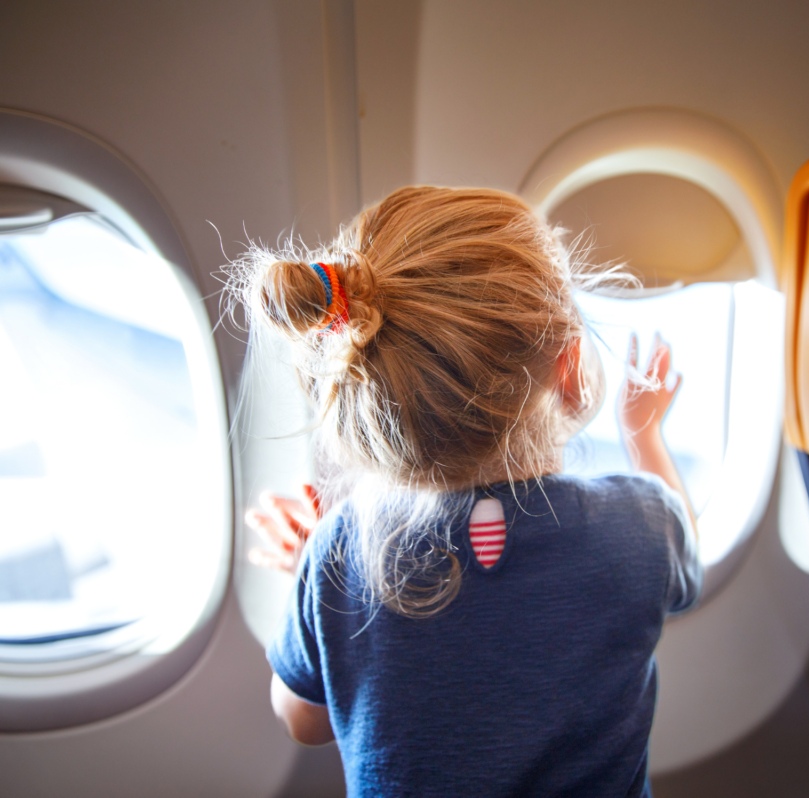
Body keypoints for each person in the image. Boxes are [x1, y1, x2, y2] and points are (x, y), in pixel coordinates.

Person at [229, 186, 702, 798]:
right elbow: (687, 570)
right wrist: (645, 438)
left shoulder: (341, 551)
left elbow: (304, 721)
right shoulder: (640, 525)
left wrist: (314, 582)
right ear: (570, 363)